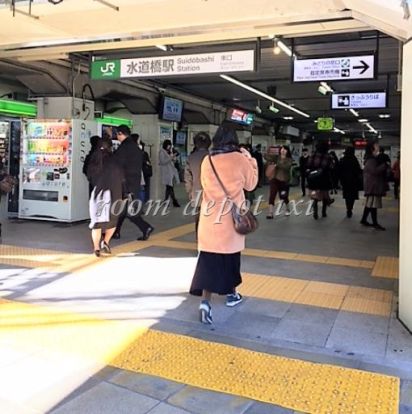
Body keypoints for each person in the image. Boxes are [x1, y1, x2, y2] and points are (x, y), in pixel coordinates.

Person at [189, 123, 258, 324]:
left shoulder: (207, 160)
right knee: (230, 258)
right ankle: (231, 295)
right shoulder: (239, 159)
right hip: (231, 219)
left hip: (210, 218)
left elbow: (204, 185)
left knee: (208, 261)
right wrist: (250, 159)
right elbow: (251, 184)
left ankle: (205, 303)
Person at [112, 125, 154, 240]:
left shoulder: (123, 148)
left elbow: (118, 166)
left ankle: (145, 227)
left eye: (117, 134)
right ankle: (116, 232)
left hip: (125, 184)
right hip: (134, 182)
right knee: (123, 210)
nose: (117, 137)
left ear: (120, 133)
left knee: (129, 211)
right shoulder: (136, 147)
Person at [87, 138, 124, 257]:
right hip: (114, 193)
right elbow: (122, 178)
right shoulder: (116, 159)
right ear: (110, 147)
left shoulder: (92, 158)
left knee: (96, 223)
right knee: (113, 222)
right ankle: (106, 242)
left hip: (98, 194)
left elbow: (88, 175)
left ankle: (96, 248)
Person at [184, 131, 211, 237]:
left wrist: (190, 192)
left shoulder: (191, 158)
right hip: (213, 194)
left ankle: (199, 241)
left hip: (197, 193)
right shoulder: (214, 157)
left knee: (199, 218)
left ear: (195, 144)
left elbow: (187, 178)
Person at [360, 141, 388, 230]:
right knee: (373, 205)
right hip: (373, 185)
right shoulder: (371, 159)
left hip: (371, 184)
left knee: (370, 203)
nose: (378, 147)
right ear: (372, 148)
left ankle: (364, 220)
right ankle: (375, 223)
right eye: (376, 146)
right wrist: (384, 165)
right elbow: (374, 171)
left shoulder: (371, 158)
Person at [306, 142, 334, 220]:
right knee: (324, 194)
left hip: (313, 177)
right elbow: (331, 167)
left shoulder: (313, 155)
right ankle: (323, 212)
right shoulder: (328, 157)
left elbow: (308, 165)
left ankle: (315, 212)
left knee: (315, 196)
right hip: (324, 178)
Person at [266, 145, 293, 219]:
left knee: (284, 197)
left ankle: (287, 208)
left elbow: (287, 167)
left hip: (284, 181)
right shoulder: (276, 157)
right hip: (274, 179)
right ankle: (270, 213)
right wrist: (269, 150)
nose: (283, 150)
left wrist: (278, 164)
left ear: (287, 151)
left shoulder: (289, 159)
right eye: (282, 149)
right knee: (272, 195)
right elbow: (267, 157)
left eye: (285, 149)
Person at [338, 146, 362, 218]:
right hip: (354, 181)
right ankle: (350, 208)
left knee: (347, 195)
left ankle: (348, 208)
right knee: (352, 196)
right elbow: (358, 170)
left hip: (345, 181)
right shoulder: (354, 160)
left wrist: (340, 180)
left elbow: (339, 170)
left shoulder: (342, 160)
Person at [159, 139, 180, 207]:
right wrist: (171, 157)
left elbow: (171, 161)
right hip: (166, 172)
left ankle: (166, 201)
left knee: (169, 187)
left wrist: (174, 157)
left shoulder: (168, 152)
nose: (169, 147)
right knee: (169, 187)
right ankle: (174, 201)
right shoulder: (162, 152)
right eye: (168, 145)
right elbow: (163, 161)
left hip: (170, 172)